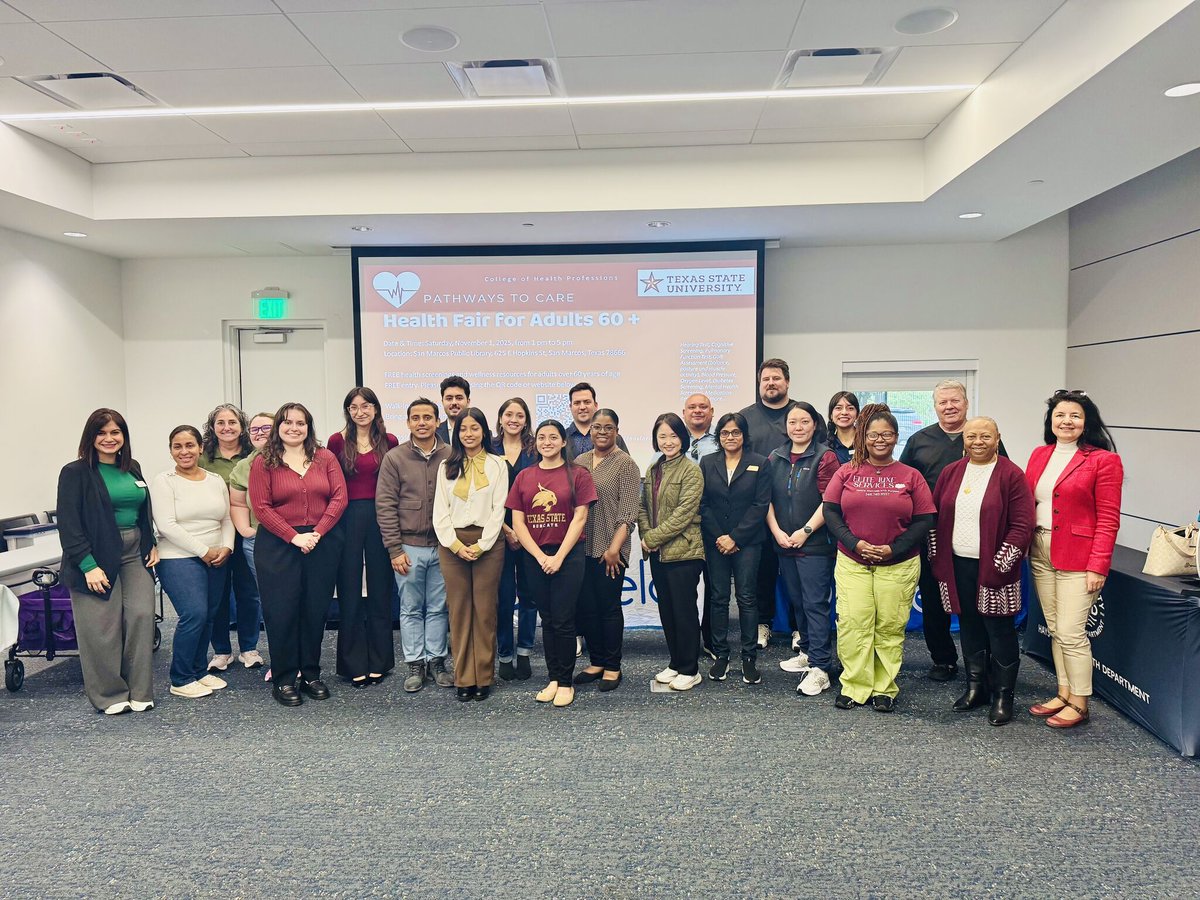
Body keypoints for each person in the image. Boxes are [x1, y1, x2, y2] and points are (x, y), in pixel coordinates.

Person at [823, 403, 935, 712]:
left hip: (897, 563)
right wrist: (855, 543)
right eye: (873, 434)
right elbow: (831, 512)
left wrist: (894, 548)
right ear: (863, 436)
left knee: (889, 626)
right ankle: (855, 685)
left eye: (887, 434)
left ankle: (884, 688)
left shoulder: (910, 476)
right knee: (853, 624)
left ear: (897, 437)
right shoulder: (847, 472)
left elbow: (925, 519)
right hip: (852, 561)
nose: (880, 440)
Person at [1024, 390, 1123, 729]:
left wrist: (1099, 565)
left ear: (1086, 422)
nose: (1067, 421)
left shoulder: (1103, 460)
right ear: (1051, 421)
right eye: (1060, 415)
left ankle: (1080, 702)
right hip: (1039, 550)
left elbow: (1109, 518)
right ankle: (1064, 692)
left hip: (1079, 557)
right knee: (1054, 629)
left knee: (1070, 631)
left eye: (1075, 416)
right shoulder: (1040, 455)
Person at [929, 417, 1035, 726]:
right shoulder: (951, 473)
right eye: (972, 435)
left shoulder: (1011, 475)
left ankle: (1003, 695)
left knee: (999, 630)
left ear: (998, 438)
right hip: (957, 564)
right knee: (969, 625)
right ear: (963, 439)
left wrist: (1003, 564)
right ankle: (976, 688)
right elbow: (935, 518)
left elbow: (1022, 525)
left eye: (986, 436)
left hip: (997, 566)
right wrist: (937, 559)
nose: (978, 441)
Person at [900, 379, 1008, 683]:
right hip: (932, 534)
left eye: (955, 401)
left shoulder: (982, 438)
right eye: (943, 402)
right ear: (934, 406)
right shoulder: (919, 441)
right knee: (934, 601)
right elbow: (904, 484)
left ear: (966, 403)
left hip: (977, 536)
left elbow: (1005, 481)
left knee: (977, 602)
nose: (949, 406)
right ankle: (943, 659)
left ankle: (982, 662)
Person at [57, 409, 159, 715]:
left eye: (116, 432)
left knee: (141, 616)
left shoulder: (133, 468)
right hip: (95, 553)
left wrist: (150, 541)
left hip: (134, 552)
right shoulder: (75, 472)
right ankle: (110, 694)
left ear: (124, 437)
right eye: (102, 433)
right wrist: (88, 566)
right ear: (91, 437)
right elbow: (69, 524)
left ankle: (140, 691)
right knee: (101, 627)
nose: (109, 439)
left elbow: (142, 510)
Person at [249, 403, 347, 707]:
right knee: (282, 612)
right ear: (279, 426)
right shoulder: (264, 462)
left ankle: (311, 674)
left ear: (309, 427)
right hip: (279, 545)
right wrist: (294, 537)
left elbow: (339, 497)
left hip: (321, 542)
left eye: (301, 423)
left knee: (315, 610)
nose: (294, 428)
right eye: (288, 422)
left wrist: (316, 533)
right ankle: (284, 678)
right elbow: (261, 507)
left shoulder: (325, 457)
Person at [507, 419, 596, 708]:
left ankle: (567, 681)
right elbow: (517, 521)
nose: (547, 442)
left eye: (553, 437)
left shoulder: (578, 474)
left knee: (563, 618)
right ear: (536, 443)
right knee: (547, 618)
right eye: (542, 437)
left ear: (562, 441)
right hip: (535, 556)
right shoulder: (524, 476)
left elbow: (580, 517)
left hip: (568, 555)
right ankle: (554, 678)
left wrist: (558, 557)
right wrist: (540, 556)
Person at [151, 425, 235, 700]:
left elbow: (226, 518)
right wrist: (204, 551)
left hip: (216, 554)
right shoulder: (164, 481)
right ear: (171, 450)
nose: (184, 451)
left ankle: (199, 671)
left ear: (200, 447)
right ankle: (181, 677)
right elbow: (166, 525)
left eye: (190, 445)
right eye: (177, 446)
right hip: (178, 557)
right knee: (194, 614)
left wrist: (227, 547)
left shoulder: (214, 480)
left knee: (210, 614)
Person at [376, 398, 455, 693]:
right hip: (408, 546)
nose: (422, 422)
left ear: (437, 421)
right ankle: (415, 664)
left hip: (444, 546)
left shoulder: (451, 454)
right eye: (416, 418)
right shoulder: (395, 458)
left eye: (427, 417)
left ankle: (436, 661)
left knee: (438, 607)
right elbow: (385, 505)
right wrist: (394, 549)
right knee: (410, 608)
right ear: (408, 423)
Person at [434, 407, 509, 701]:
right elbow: (440, 511)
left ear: (484, 431)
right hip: (453, 543)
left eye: (475, 428)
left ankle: (483, 677)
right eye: (463, 429)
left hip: (487, 544)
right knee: (459, 611)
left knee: (485, 611)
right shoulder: (446, 466)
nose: (469, 434)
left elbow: (498, 510)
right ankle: (464, 677)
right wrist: (454, 545)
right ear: (457, 432)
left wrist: (481, 545)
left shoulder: (497, 465)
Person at [766, 402, 841, 697]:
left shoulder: (826, 457)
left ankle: (821, 667)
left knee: (814, 604)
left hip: (815, 545)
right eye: (793, 422)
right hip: (783, 542)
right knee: (797, 602)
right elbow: (766, 499)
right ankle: (808, 653)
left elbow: (830, 501)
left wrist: (805, 531)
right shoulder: (775, 456)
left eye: (804, 422)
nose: (798, 427)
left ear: (815, 425)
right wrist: (777, 532)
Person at [328, 387, 399, 688]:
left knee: (381, 590)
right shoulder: (336, 442)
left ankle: (380, 661)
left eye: (366, 405)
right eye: (354, 407)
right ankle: (353, 662)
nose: (361, 411)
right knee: (351, 589)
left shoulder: (390, 441)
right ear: (348, 411)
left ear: (376, 409)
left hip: (382, 517)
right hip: (347, 518)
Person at [699, 412, 769, 685]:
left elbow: (760, 505)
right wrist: (720, 536)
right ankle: (721, 655)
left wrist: (736, 537)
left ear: (744, 435)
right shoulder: (707, 462)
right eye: (726, 433)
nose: (730, 437)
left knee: (747, 598)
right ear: (719, 436)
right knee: (717, 598)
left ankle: (749, 657)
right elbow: (703, 503)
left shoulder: (760, 463)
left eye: (736, 432)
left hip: (748, 542)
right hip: (716, 541)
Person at [574, 409, 641, 693]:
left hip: (610, 549)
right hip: (581, 548)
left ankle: (613, 666)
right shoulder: (579, 461)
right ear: (589, 430)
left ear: (617, 430)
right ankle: (597, 661)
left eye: (608, 427)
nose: (602, 432)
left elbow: (628, 512)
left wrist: (614, 548)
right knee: (586, 609)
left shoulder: (626, 464)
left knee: (609, 609)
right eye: (597, 427)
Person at [639, 412, 705, 692]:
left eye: (673, 435)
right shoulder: (654, 468)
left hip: (684, 552)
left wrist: (652, 538)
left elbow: (683, 515)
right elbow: (643, 507)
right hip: (658, 553)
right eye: (662, 436)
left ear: (683, 438)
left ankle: (691, 669)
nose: (668, 441)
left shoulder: (691, 470)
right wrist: (646, 536)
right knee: (666, 610)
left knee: (684, 611)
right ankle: (676, 662)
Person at [739, 358, 797, 649]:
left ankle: (800, 628)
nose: (771, 383)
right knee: (760, 570)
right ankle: (763, 624)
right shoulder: (745, 418)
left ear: (787, 381)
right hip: (756, 507)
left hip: (795, 506)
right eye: (765, 379)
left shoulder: (801, 414)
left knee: (795, 571)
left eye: (776, 378)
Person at [198, 403, 261, 674]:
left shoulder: (253, 456)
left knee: (249, 593)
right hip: (213, 536)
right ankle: (222, 651)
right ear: (212, 428)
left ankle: (249, 648)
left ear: (242, 427)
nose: (227, 427)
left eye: (232, 422)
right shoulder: (202, 458)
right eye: (221, 423)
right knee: (218, 595)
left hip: (246, 532)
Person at [492, 397, 539, 681]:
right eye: (508, 414)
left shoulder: (536, 448)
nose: (513, 419)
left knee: (530, 596)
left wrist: (522, 532)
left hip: (532, 531)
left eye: (519, 415)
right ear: (500, 418)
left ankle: (524, 653)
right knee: (504, 596)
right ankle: (505, 655)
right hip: (496, 532)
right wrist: (506, 530)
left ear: (526, 420)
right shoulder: (489, 448)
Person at [227, 412, 273, 671]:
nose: (260, 433)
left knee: (296, 600)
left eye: (266, 427)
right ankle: (282, 662)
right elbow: (236, 502)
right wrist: (246, 530)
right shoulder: (244, 466)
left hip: (294, 540)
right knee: (270, 601)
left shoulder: (295, 459)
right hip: (258, 542)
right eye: (254, 430)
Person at [564, 382, 630, 460]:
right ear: (570, 407)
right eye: (577, 403)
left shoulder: (615, 438)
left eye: (587, 402)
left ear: (595, 405)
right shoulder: (561, 438)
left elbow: (627, 468)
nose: (582, 407)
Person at [682, 394, 720, 461]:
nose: (697, 411)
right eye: (692, 407)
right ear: (684, 413)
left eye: (703, 407)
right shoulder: (675, 437)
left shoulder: (721, 437)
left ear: (712, 411)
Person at [435, 375, 470, 445]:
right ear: (442, 402)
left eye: (459, 398)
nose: (454, 402)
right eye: (449, 398)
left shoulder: (481, 433)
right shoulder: (434, 433)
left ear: (468, 401)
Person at [827, 391, 860, 465]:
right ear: (831, 415)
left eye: (850, 408)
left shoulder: (867, 442)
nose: (844, 412)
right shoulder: (824, 448)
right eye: (838, 408)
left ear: (857, 415)